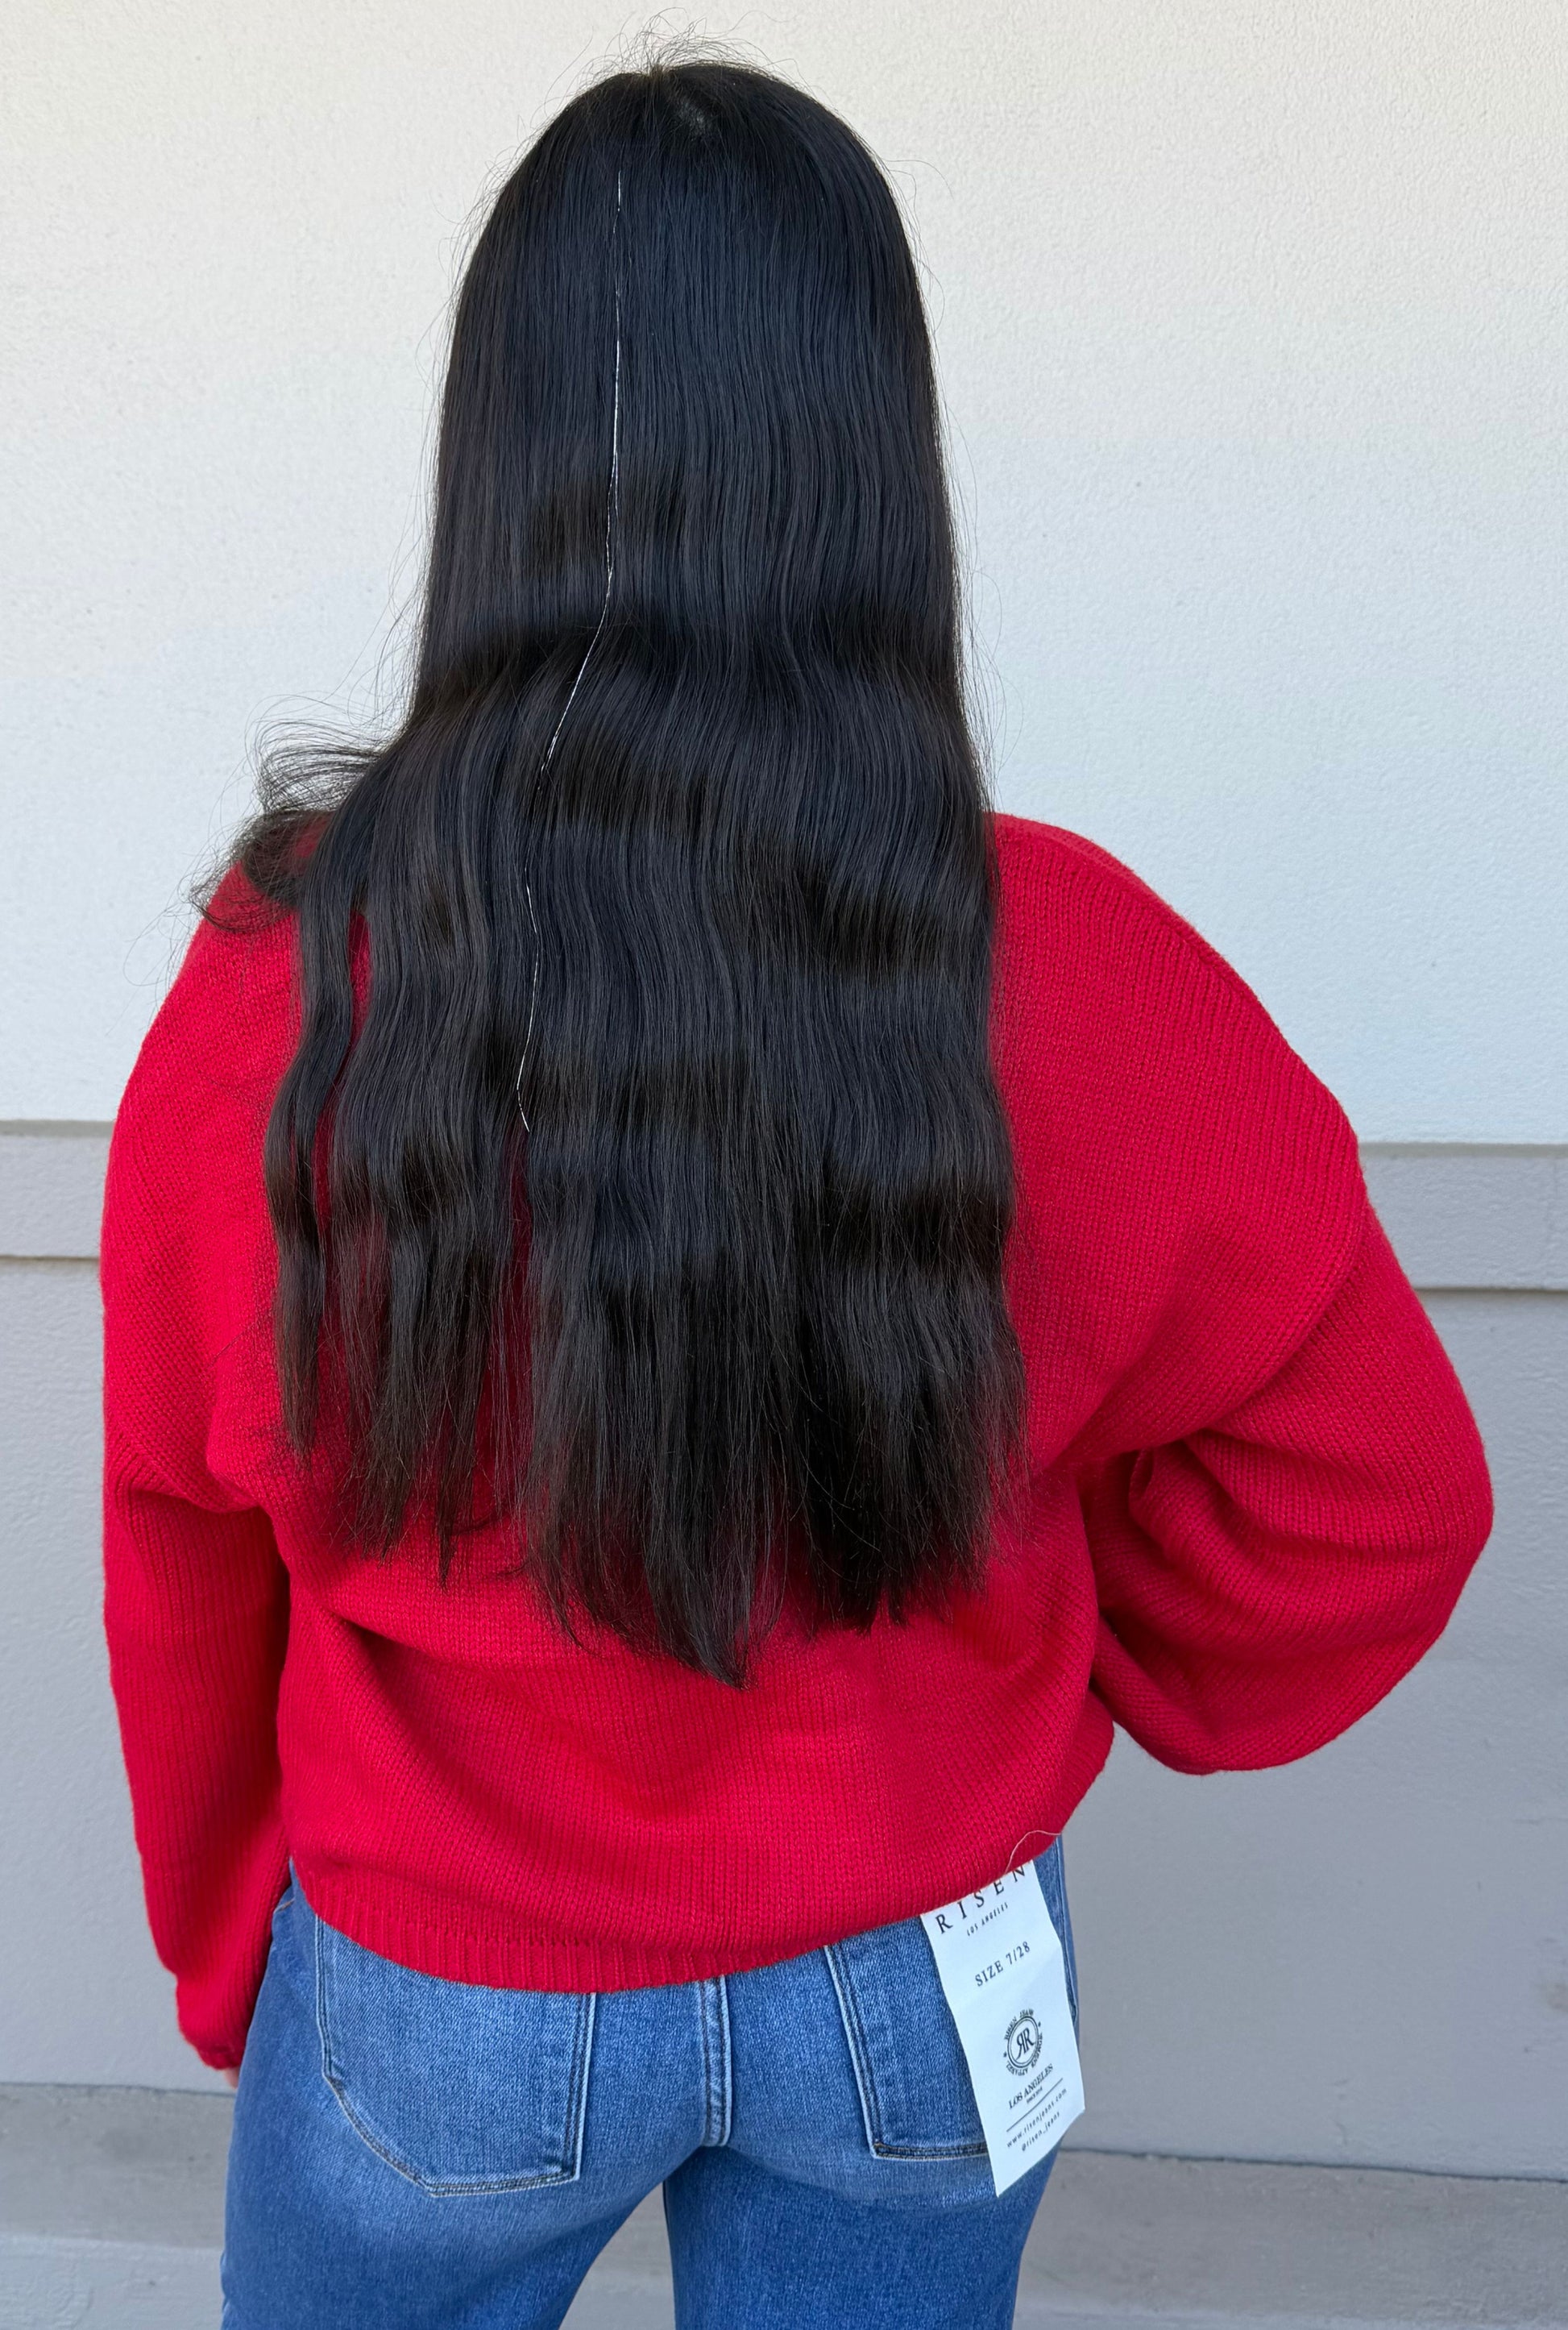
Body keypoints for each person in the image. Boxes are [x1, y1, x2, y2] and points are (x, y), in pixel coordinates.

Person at [99, 55, 1493, 2330]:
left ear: (502, 457)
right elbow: (1377, 1508)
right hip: (922, 1971)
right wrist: (1058, 1646)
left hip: (444, 1986)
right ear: (874, 461)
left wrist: (237, 1927)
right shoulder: (1086, 971)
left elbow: (182, 1530)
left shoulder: (282, 991)